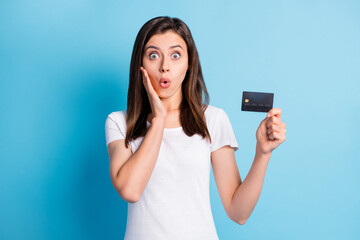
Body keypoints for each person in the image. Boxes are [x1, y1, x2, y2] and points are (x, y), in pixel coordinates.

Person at [105, 16, 286, 240]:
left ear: (189, 63)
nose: (164, 67)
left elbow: (238, 213)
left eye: (175, 55)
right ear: (140, 65)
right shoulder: (119, 122)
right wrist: (159, 120)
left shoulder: (213, 119)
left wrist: (262, 153)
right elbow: (130, 190)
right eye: (153, 55)